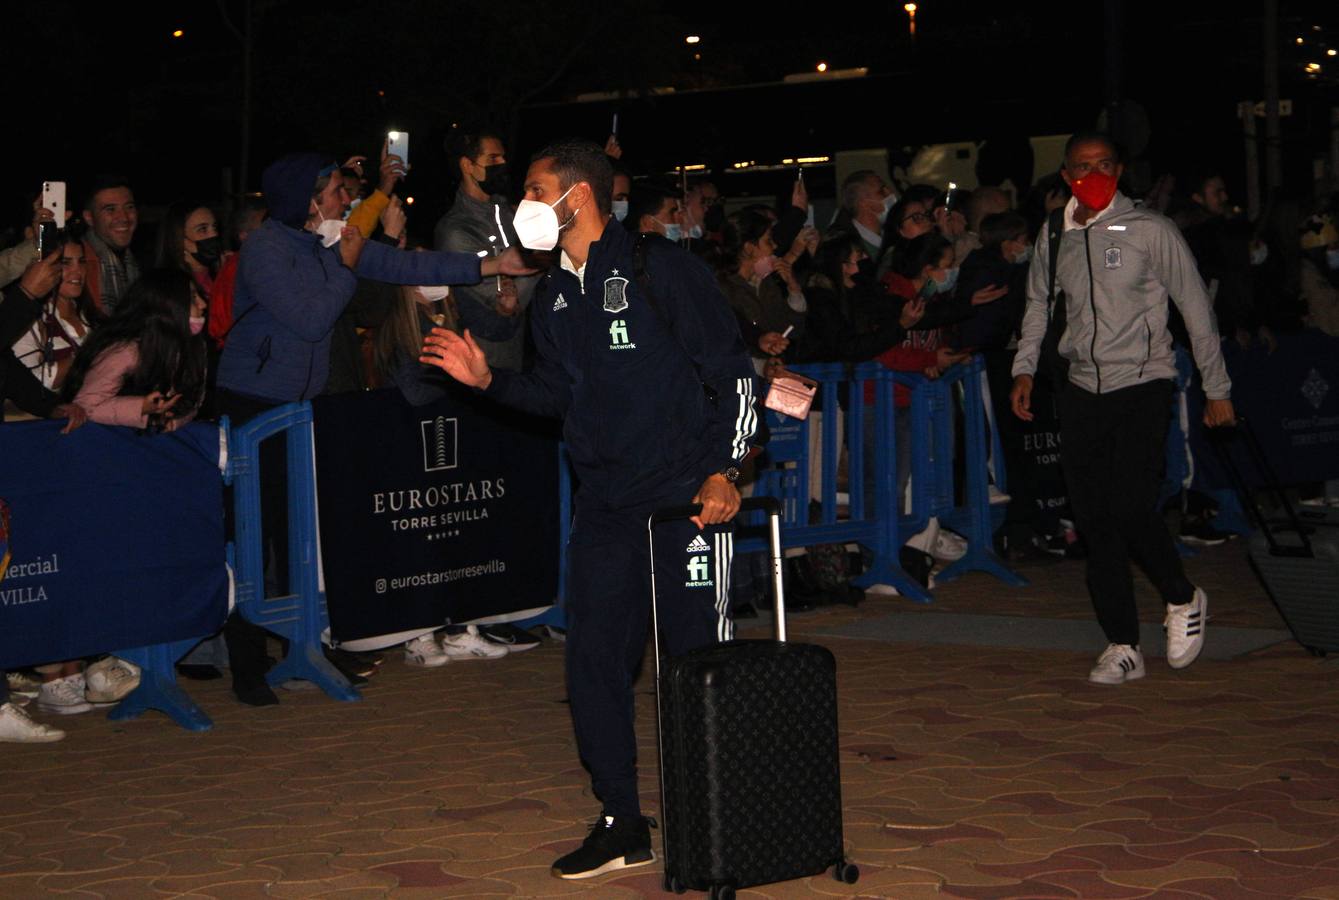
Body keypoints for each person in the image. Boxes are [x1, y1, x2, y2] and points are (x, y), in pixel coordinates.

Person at [420, 138, 757, 880]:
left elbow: (732, 371)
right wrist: (486, 383)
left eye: (537, 191)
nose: (525, 205)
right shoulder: (557, 293)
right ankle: (621, 819)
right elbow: (553, 396)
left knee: (695, 661)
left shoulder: (658, 267)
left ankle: (717, 817)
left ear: (579, 196)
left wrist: (725, 470)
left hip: (682, 503)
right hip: (605, 505)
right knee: (593, 666)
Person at [215, 152, 533, 707]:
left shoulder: (328, 242)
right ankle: (247, 661)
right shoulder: (266, 249)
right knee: (252, 533)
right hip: (253, 406)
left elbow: (407, 268)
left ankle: (303, 647)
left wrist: (488, 267)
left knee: (300, 533)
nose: (346, 201)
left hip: (304, 406)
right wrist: (345, 264)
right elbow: (311, 318)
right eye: (337, 191)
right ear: (309, 200)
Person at [1010, 131, 1235, 686]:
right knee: (1093, 520)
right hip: (1081, 387)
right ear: (1065, 175)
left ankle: (1182, 597)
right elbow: (1038, 302)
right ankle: (1122, 643)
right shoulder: (1054, 234)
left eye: (1104, 163)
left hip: (1143, 381)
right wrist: (1024, 366)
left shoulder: (1150, 229)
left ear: (1120, 168)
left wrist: (1217, 387)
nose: (1094, 173)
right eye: (1082, 166)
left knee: (1132, 506)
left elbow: (1195, 307)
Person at [80, 175, 141, 312]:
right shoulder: (77, 264)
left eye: (129, 207)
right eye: (110, 209)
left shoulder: (141, 262)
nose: (123, 217)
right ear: (89, 218)